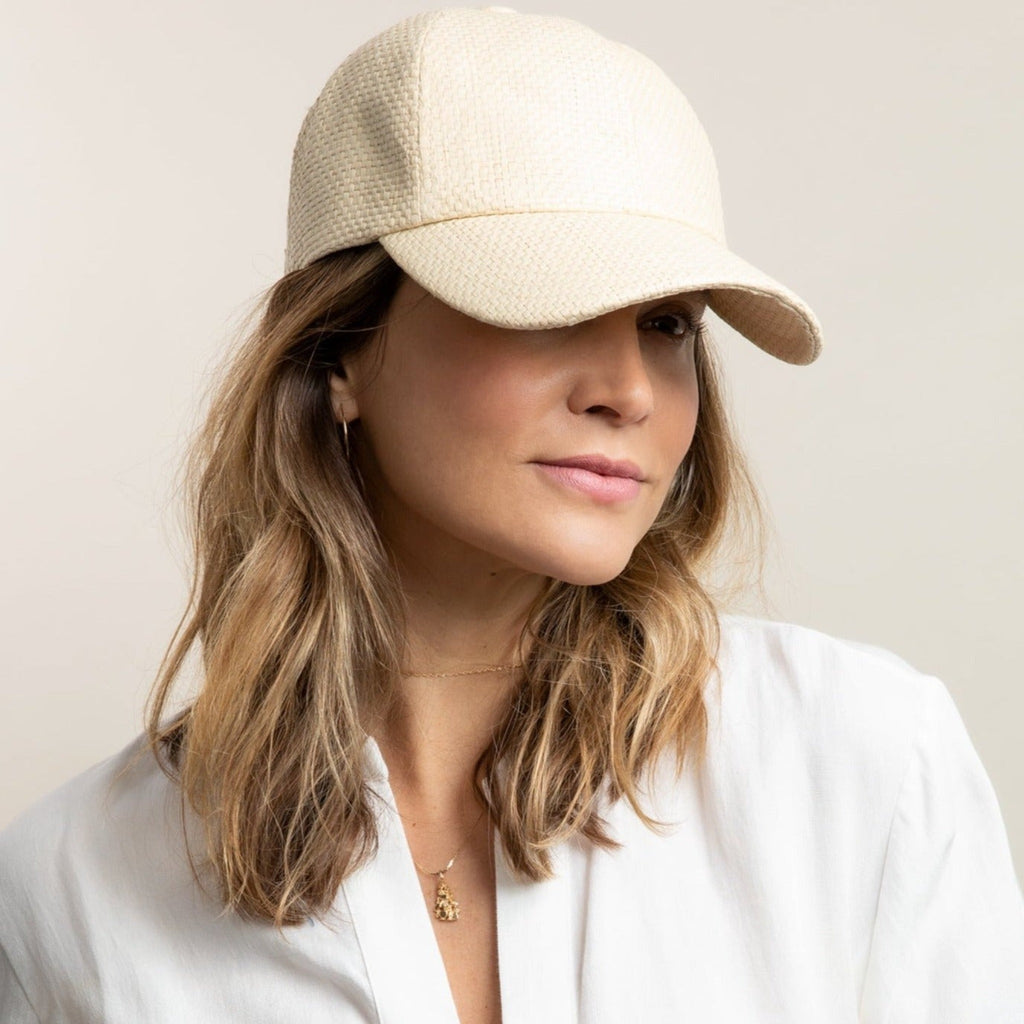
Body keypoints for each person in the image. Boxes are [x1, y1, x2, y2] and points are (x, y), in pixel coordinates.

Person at [1, 6, 1022, 1023]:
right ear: (339, 350)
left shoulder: (861, 765)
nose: (629, 389)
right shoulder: (70, 892)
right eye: (551, 304)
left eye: (667, 323)